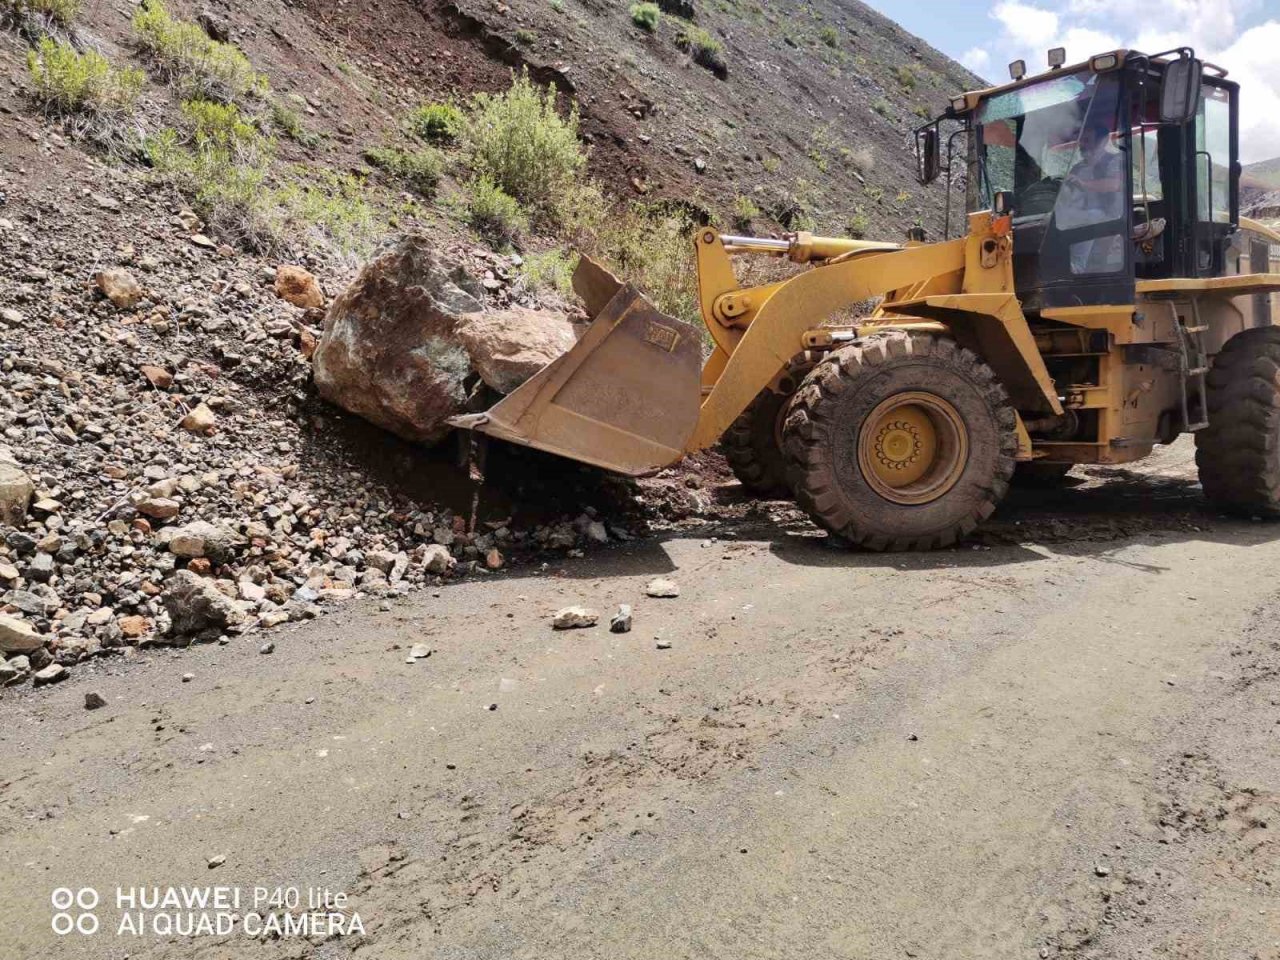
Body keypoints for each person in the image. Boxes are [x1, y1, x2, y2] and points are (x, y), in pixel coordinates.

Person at [1058, 117, 1126, 273]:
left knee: (1092, 216)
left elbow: (1114, 184)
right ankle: (1058, 262)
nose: (1082, 144)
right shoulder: (1078, 167)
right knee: (1057, 218)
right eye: (1081, 140)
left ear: (1103, 141)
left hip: (1111, 217)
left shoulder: (1115, 160)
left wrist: (1083, 184)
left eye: (1087, 140)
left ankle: (1078, 265)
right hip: (1081, 213)